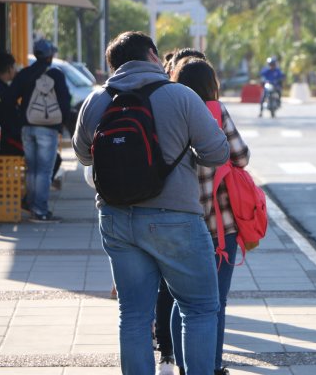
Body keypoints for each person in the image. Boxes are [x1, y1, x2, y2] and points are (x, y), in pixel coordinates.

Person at [72, 31, 230, 375]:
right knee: (200, 308)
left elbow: (83, 155)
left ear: (112, 65)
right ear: (154, 56)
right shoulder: (181, 96)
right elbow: (218, 152)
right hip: (176, 218)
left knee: (133, 314)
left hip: (116, 218)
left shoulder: (96, 99)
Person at [168, 56, 250, 375]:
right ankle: (212, 366)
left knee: (181, 300)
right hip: (220, 225)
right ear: (211, 85)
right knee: (215, 301)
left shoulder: (167, 112)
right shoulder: (216, 111)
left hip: (178, 219)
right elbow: (241, 156)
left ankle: (182, 365)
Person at [153, 48, 210, 375]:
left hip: (137, 211)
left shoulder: (140, 100)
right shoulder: (190, 106)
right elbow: (227, 153)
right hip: (189, 213)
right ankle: (194, 365)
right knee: (200, 305)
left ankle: (165, 357)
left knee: (144, 305)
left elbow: (84, 154)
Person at [7, 39, 71, 222]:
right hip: (48, 129)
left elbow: (10, 99)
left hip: (27, 128)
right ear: (50, 55)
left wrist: (20, 120)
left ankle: (32, 205)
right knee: (44, 171)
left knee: (32, 169)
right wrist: (60, 125)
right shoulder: (56, 75)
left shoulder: (25, 74)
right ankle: (41, 211)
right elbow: (65, 103)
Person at [0, 52, 19, 155]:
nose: (16, 70)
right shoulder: (5, 92)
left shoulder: (3, 89)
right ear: (9, 68)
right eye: (14, 67)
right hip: (9, 141)